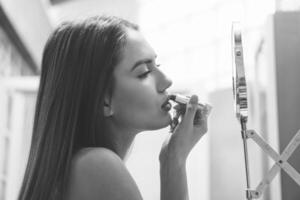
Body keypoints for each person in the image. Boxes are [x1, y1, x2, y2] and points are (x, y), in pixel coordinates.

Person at [18, 15, 209, 200]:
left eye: (157, 65)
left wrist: (172, 159)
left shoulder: (79, 168)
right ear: (104, 100)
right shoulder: (97, 166)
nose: (166, 81)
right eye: (143, 72)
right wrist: (174, 164)